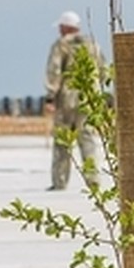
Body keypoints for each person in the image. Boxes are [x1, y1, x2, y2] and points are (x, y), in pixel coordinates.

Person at [43, 10, 104, 190]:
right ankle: (93, 181)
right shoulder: (92, 44)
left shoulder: (61, 45)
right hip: (89, 98)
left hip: (67, 99)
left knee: (63, 140)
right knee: (88, 140)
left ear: (64, 27)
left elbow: (54, 71)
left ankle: (59, 181)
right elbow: (102, 70)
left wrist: (50, 97)